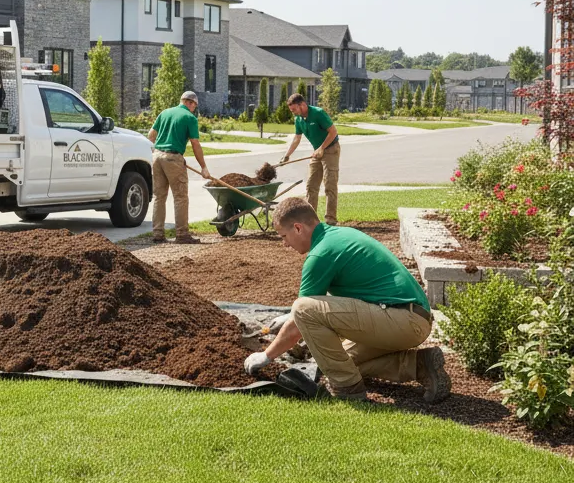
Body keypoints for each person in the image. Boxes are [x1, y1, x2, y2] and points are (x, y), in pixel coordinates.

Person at [244, 197, 450, 403]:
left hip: (402, 320)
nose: (285, 244)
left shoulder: (320, 254)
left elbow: (303, 315)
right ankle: (420, 365)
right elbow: (325, 304)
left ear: (298, 228)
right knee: (340, 362)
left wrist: (266, 356)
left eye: (284, 236)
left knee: (303, 310)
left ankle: (348, 390)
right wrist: (290, 317)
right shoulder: (338, 236)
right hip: (412, 318)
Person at [147, 90, 212, 244]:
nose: (194, 109)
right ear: (190, 103)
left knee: (159, 197)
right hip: (173, 157)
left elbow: (151, 135)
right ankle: (182, 234)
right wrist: (203, 167)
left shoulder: (165, 113)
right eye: (194, 106)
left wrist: (160, 150)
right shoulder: (189, 118)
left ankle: (158, 234)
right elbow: (195, 144)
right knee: (180, 197)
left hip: (157, 157)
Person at [281, 93, 340, 225]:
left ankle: (330, 220)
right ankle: (310, 220)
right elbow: (297, 138)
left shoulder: (318, 113)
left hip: (331, 149)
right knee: (311, 186)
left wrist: (322, 148)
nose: (293, 113)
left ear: (302, 105)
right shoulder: (298, 119)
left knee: (330, 184)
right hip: (317, 152)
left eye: (294, 109)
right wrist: (287, 155)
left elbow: (333, 132)